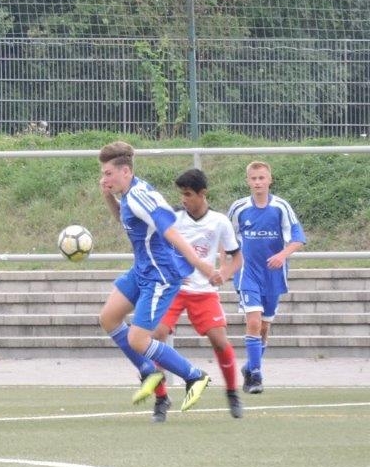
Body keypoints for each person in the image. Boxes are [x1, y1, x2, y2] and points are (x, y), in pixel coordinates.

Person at [97, 142, 214, 412]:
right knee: (109, 318)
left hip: (159, 276)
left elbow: (170, 231)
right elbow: (125, 219)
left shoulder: (140, 196)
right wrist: (108, 196)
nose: (104, 178)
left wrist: (199, 264)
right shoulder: (129, 194)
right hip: (142, 270)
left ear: (125, 171)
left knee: (137, 340)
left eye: (108, 173)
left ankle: (194, 376)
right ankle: (149, 371)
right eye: (103, 174)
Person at [151, 169, 243, 421]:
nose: (183, 199)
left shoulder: (219, 221)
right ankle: (161, 398)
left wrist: (223, 274)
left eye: (188, 194)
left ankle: (232, 392)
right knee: (154, 337)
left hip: (203, 291)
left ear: (203, 194)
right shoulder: (174, 219)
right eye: (181, 194)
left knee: (220, 341)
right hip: (173, 289)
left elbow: (237, 257)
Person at [227, 161, 306, 394]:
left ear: (270, 180)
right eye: (253, 178)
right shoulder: (239, 208)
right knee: (253, 321)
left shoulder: (281, 207)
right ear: (248, 181)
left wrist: (282, 255)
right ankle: (256, 376)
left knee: (263, 327)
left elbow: (298, 238)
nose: (258, 182)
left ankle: (249, 366)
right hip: (247, 273)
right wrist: (225, 265)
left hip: (273, 275)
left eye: (261, 178)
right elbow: (225, 237)